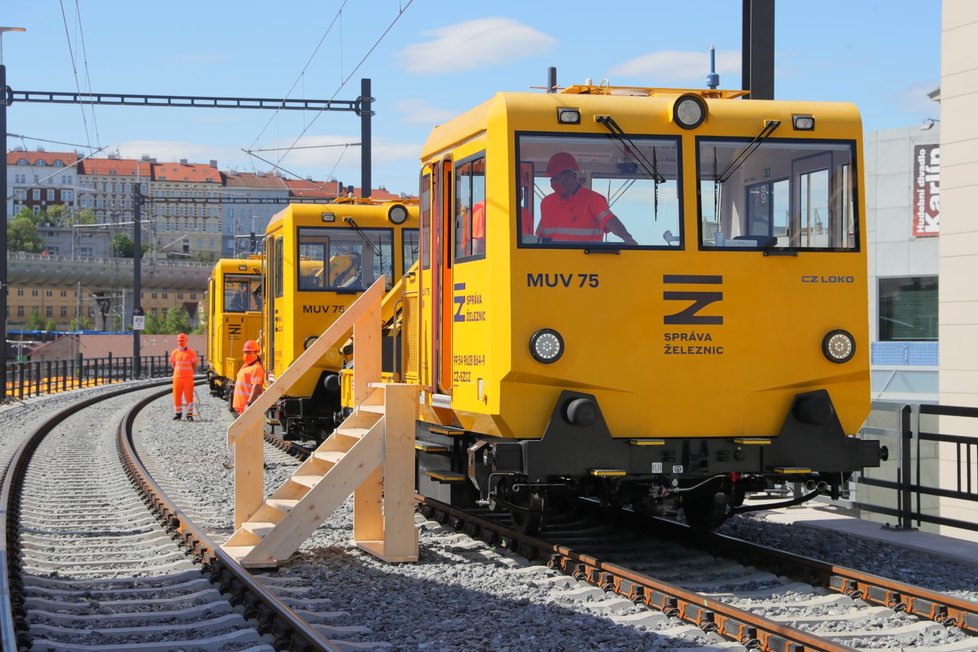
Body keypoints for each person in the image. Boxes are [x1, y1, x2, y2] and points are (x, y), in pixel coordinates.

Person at [536, 152, 637, 245]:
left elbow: (610, 221)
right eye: (552, 179)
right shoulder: (546, 202)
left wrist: (627, 238)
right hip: (554, 261)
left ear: (571, 176)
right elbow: (539, 237)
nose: (553, 183)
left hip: (587, 260)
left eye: (556, 178)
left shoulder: (593, 200)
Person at [232, 339, 266, 416]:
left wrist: (249, 404)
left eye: (249, 352)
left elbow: (256, 386)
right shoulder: (246, 366)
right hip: (241, 407)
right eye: (245, 352)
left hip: (248, 408)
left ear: (256, 353)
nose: (246, 354)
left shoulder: (257, 368)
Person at [169, 333, 199, 421]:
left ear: (186, 341)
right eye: (179, 341)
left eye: (182, 340)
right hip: (177, 378)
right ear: (177, 341)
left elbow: (194, 364)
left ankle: (189, 415)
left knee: (189, 396)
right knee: (176, 396)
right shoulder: (174, 352)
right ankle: (178, 414)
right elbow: (173, 364)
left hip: (188, 378)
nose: (181, 342)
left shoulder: (191, 353)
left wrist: (189, 372)